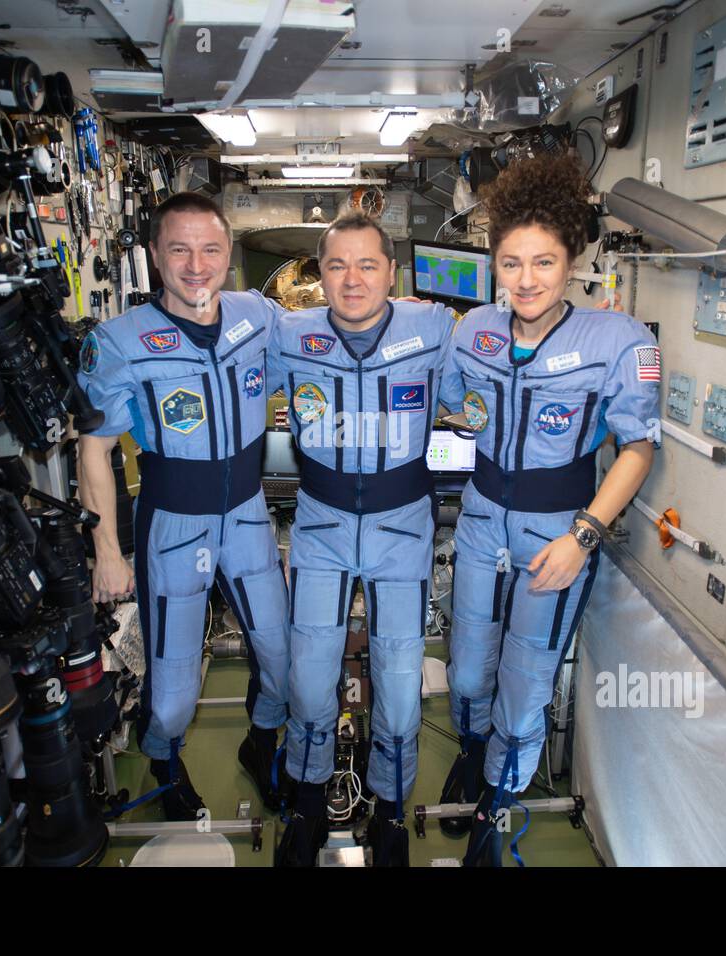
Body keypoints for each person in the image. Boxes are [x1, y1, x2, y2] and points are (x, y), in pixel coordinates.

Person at [437, 152, 661, 865]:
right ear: (493, 263)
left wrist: (584, 536)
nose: (526, 280)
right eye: (511, 263)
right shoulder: (472, 331)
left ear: (572, 261)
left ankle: (495, 815)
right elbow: (457, 405)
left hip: (556, 534)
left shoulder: (618, 341)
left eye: (543, 262)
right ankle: (473, 752)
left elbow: (637, 449)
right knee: (469, 673)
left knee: (525, 685)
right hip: (479, 522)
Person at [77, 192, 291, 821]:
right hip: (174, 524)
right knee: (171, 696)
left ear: (229, 253)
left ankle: (263, 744)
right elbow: (94, 452)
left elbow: (318, 341)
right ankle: (165, 761)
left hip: (249, 515)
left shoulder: (259, 314)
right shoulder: (117, 342)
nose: (196, 264)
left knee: (282, 663)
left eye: (210, 249)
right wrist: (108, 551)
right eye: (179, 249)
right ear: (154, 255)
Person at [268, 211, 453, 866]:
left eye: (367, 264)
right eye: (337, 264)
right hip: (319, 524)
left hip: (401, 526)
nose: (352, 279)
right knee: (312, 674)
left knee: (400, 683)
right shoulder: (287, 334)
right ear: (319, 273)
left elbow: (479, 396)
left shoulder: (433, 328)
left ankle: (391, 808)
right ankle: (308, 799)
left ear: (392, 273)